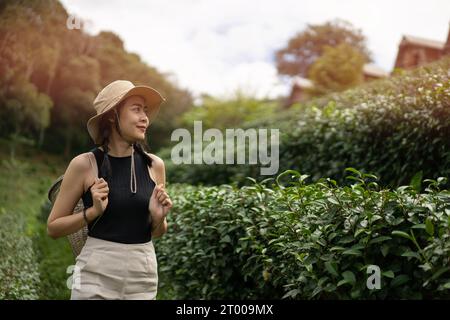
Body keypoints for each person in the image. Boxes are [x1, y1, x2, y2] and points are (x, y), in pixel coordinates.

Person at [47, 80, 172, 300]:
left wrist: (158, 219)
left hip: (142, 274)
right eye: (136, 109)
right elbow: (54, 228)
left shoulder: (155, 165)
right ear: (113, 115)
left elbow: (158, 232)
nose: (145, 117)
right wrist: (92, 212)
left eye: (145, 110)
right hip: (96, 273)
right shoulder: (85, 164)